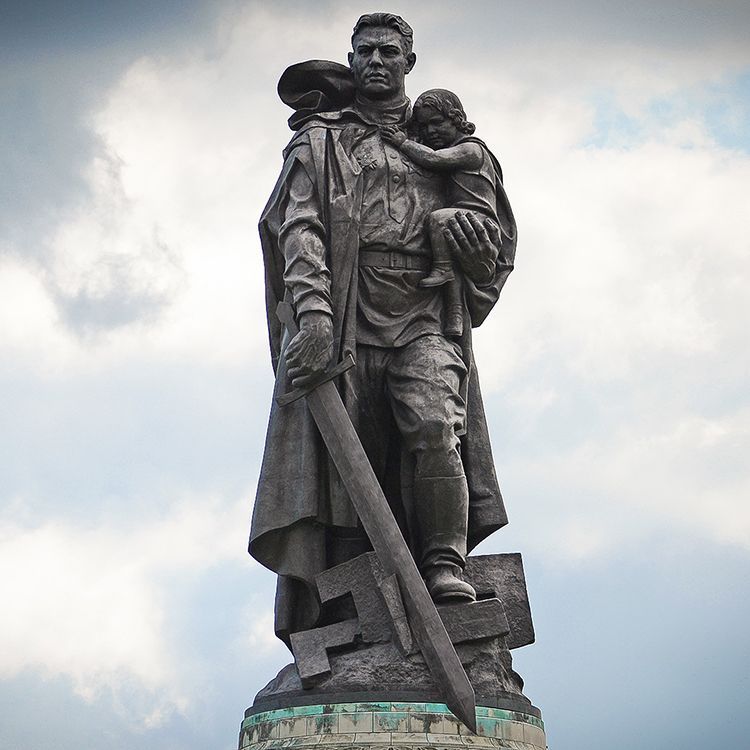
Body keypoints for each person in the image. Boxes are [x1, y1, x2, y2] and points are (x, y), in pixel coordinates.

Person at [250, 12, 517, 648]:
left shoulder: (443, 138)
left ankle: (444, 564)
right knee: (348, 465)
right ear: (351, 56)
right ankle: (351, 602)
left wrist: (475, 243)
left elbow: (496, 240)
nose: (376, 60)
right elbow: (298, 225)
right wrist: (312, 313)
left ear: (409, 61)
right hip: (345, 310)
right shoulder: (321, 141)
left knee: (432, 422)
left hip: (426, 309)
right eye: (365, 50)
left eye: (389, 51)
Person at [381, 88, 505, 337]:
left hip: (476, 220)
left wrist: (403, 143)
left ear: (457, 119)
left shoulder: (471, 150)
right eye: (424, 126)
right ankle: (455, 317)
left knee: (439, 220)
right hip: (461, 218)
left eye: (437, 123)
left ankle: (442, 266)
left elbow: (435, 159)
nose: (430, 132)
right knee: (454, 265)